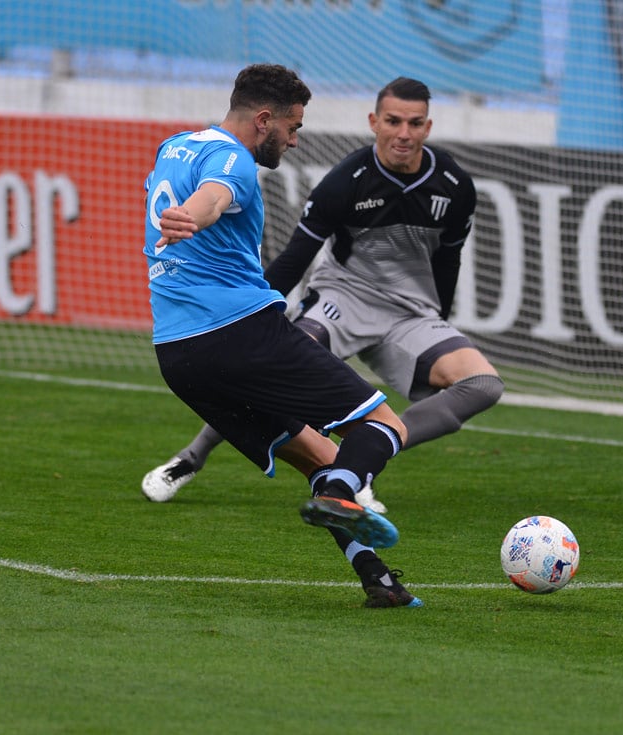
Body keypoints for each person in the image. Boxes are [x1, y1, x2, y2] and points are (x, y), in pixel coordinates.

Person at [143, 76, 504, 513]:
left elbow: (449, 260)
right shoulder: (346, 180)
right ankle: (190, 457)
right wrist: (258, 326)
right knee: (270, 362)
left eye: (415, 123)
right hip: (343, 300)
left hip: (410, 314)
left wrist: (438, 317)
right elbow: (295, 258)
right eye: (393, 121)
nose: (403, 134)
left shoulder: (453, 184)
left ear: (428, 128)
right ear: (374, 122)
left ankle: (359, 462)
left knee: (484, 384)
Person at [144, 63, 422, 608]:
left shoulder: (174, 147)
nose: (295, 140)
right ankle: (345, 492)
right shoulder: (235, 161)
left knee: (321, 458)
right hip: (242, 333)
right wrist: (195, 216)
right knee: (386, 424)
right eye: (293, 127)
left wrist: (187, 216)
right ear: (264, 119)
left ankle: (379, 582)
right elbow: (216, 196)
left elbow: (198, 196)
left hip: (177, 355)